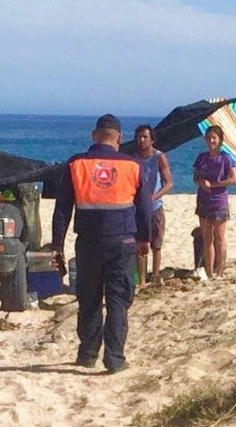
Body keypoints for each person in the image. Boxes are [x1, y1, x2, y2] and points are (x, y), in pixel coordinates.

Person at [51, 114, 152, 374]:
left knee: (89, 298)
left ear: (94, 135)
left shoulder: (75, 164)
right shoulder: (134, 165)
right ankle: (115, 358)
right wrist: (144, 239)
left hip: (88, 243)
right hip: (123, 242)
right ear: (119, 138)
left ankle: (87, 354)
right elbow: (144, 208)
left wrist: (57, 245)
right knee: (118, 299)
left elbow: (62, 209)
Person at [193, 125, 236, 279]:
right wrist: (201, 183)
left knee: (219, 238)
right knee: (206, 238)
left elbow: (234, 179)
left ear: (220, 140)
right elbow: (195, 178)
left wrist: (214, 184)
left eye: (214, 138)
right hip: (203, 200)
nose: (211, 141)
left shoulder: (226, 157)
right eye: (209, 138)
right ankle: (209, 272)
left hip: (219, 200)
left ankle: (220, 271)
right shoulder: (201, 157)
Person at [132, 124, 173, 288]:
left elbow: (169, 183)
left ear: (152, 139)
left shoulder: (158, 157)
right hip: (138, 209)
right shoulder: (133, 159)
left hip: (155, 206)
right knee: (140, 245)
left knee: (156, 244)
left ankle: (155, 277)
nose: (141, 140)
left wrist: (152, 197)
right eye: (139, 137)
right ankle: (141, 281)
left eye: (145, 137)